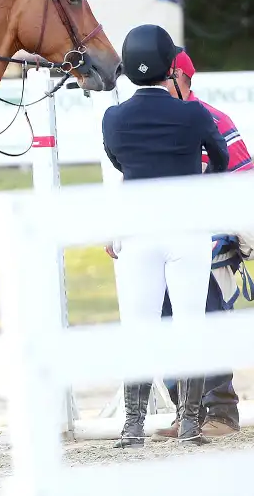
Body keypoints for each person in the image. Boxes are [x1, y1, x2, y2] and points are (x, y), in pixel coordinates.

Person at [101, 24, 229, 448]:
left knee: (138, 327)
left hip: (139, 231)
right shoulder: (193, 113)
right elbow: (221, 158)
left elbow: (119, 162)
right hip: (186, 230)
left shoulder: (114, 118)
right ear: (169, 68)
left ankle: (132, 427)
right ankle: (190, 424)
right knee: (190, 323)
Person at [152, 49, 253, 440]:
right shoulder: (155, 119)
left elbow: (243, 179)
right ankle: (187, 413)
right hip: (164, 242)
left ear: (179, 77)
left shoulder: (214, 119)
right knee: (164, 322)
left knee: (206, 319)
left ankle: (221, 412)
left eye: (160, 76)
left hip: (209, 242)